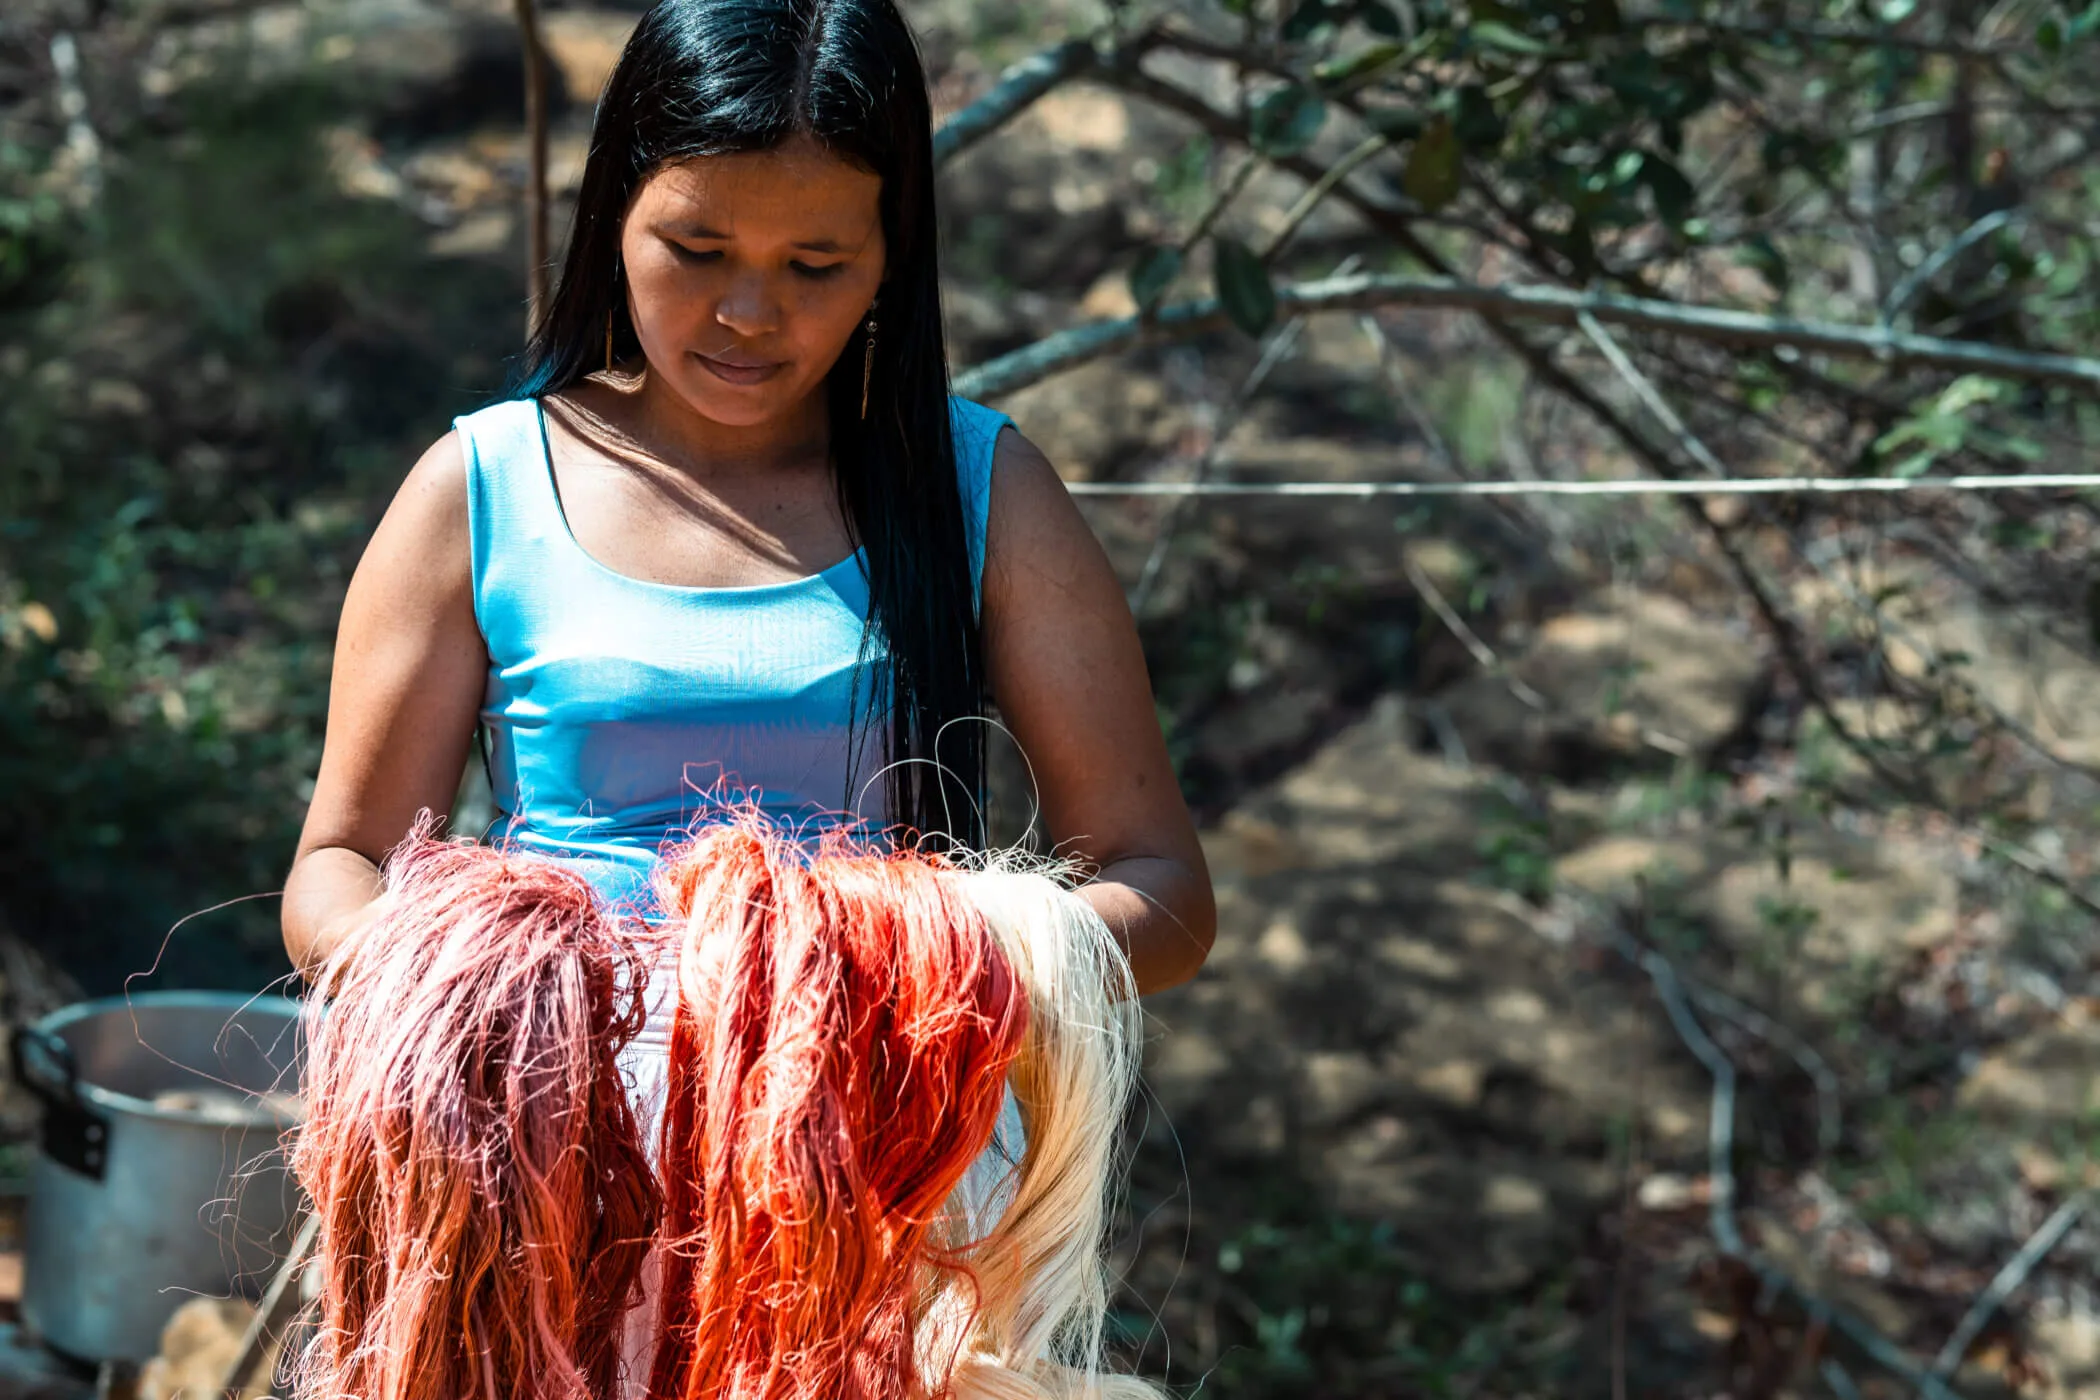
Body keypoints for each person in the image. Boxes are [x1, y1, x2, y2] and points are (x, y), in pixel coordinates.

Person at [279, 0, 1212, 1080]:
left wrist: (930, 967)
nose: (750, 313)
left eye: (815, 265)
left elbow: (1164, 892)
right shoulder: (482, 488)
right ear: (613, 215)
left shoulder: (981, 492)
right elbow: (339, 863)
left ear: (889, 260)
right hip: (547, 1120)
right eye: (697, 248)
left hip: (880, 1134)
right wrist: (465, 984)